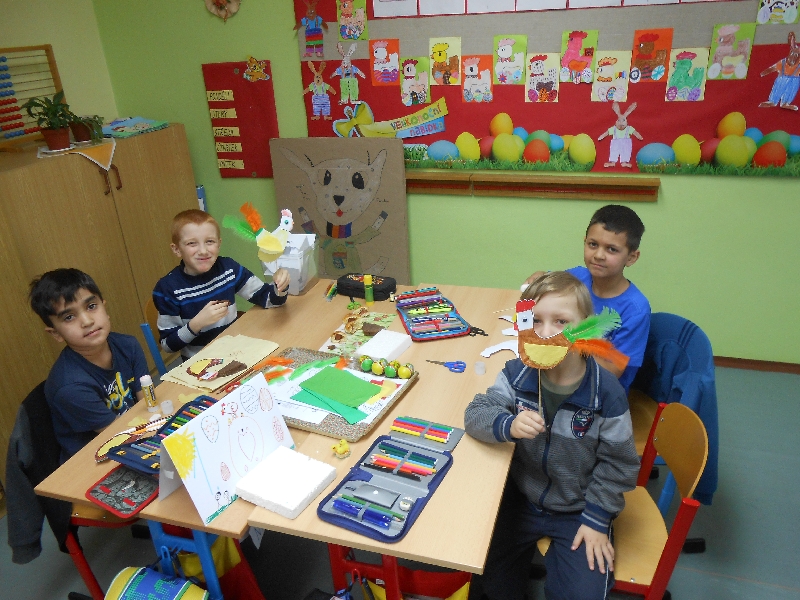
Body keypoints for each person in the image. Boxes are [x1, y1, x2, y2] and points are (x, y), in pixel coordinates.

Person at [466, 271, 639, 600]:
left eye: (561, 321)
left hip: (578, 509)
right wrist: (508, 424)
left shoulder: (606, 394)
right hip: (521, 499)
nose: (545, 333)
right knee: (487, 581)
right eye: (535, 321)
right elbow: (476, 413)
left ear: (585, 327)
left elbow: (619, 464)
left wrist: (597, 518)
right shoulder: (518, 375)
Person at [524, 204, 650, 394]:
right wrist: (540, 276)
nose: (599, 255)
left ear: (631, 257)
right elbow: (547, 284)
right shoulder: (577, 277)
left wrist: (568, 341)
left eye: (611, 249)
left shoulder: (636, 309)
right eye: (593, 244)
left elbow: (613, 371)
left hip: (598, 393)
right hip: (558, 372)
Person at [29, 268, 149, 461]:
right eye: (69, 317)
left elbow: (148, 403)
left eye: (91, 306)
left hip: (132, 432)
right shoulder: (70, 387)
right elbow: (119, 436)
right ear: (56, 333)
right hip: (97, 459)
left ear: (104, 307)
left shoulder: (128, 345)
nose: (86, 321)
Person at [153, 209, 290, 359]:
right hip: (201, 363)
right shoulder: (168, 289)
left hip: (236, 353)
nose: (203, 251)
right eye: (192, 243)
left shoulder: (229, 269)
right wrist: (196, 324)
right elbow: (168, 345)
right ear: (177, 249)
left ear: (219, 244)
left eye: (209, 242)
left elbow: (268, 299)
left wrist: (280, 286)